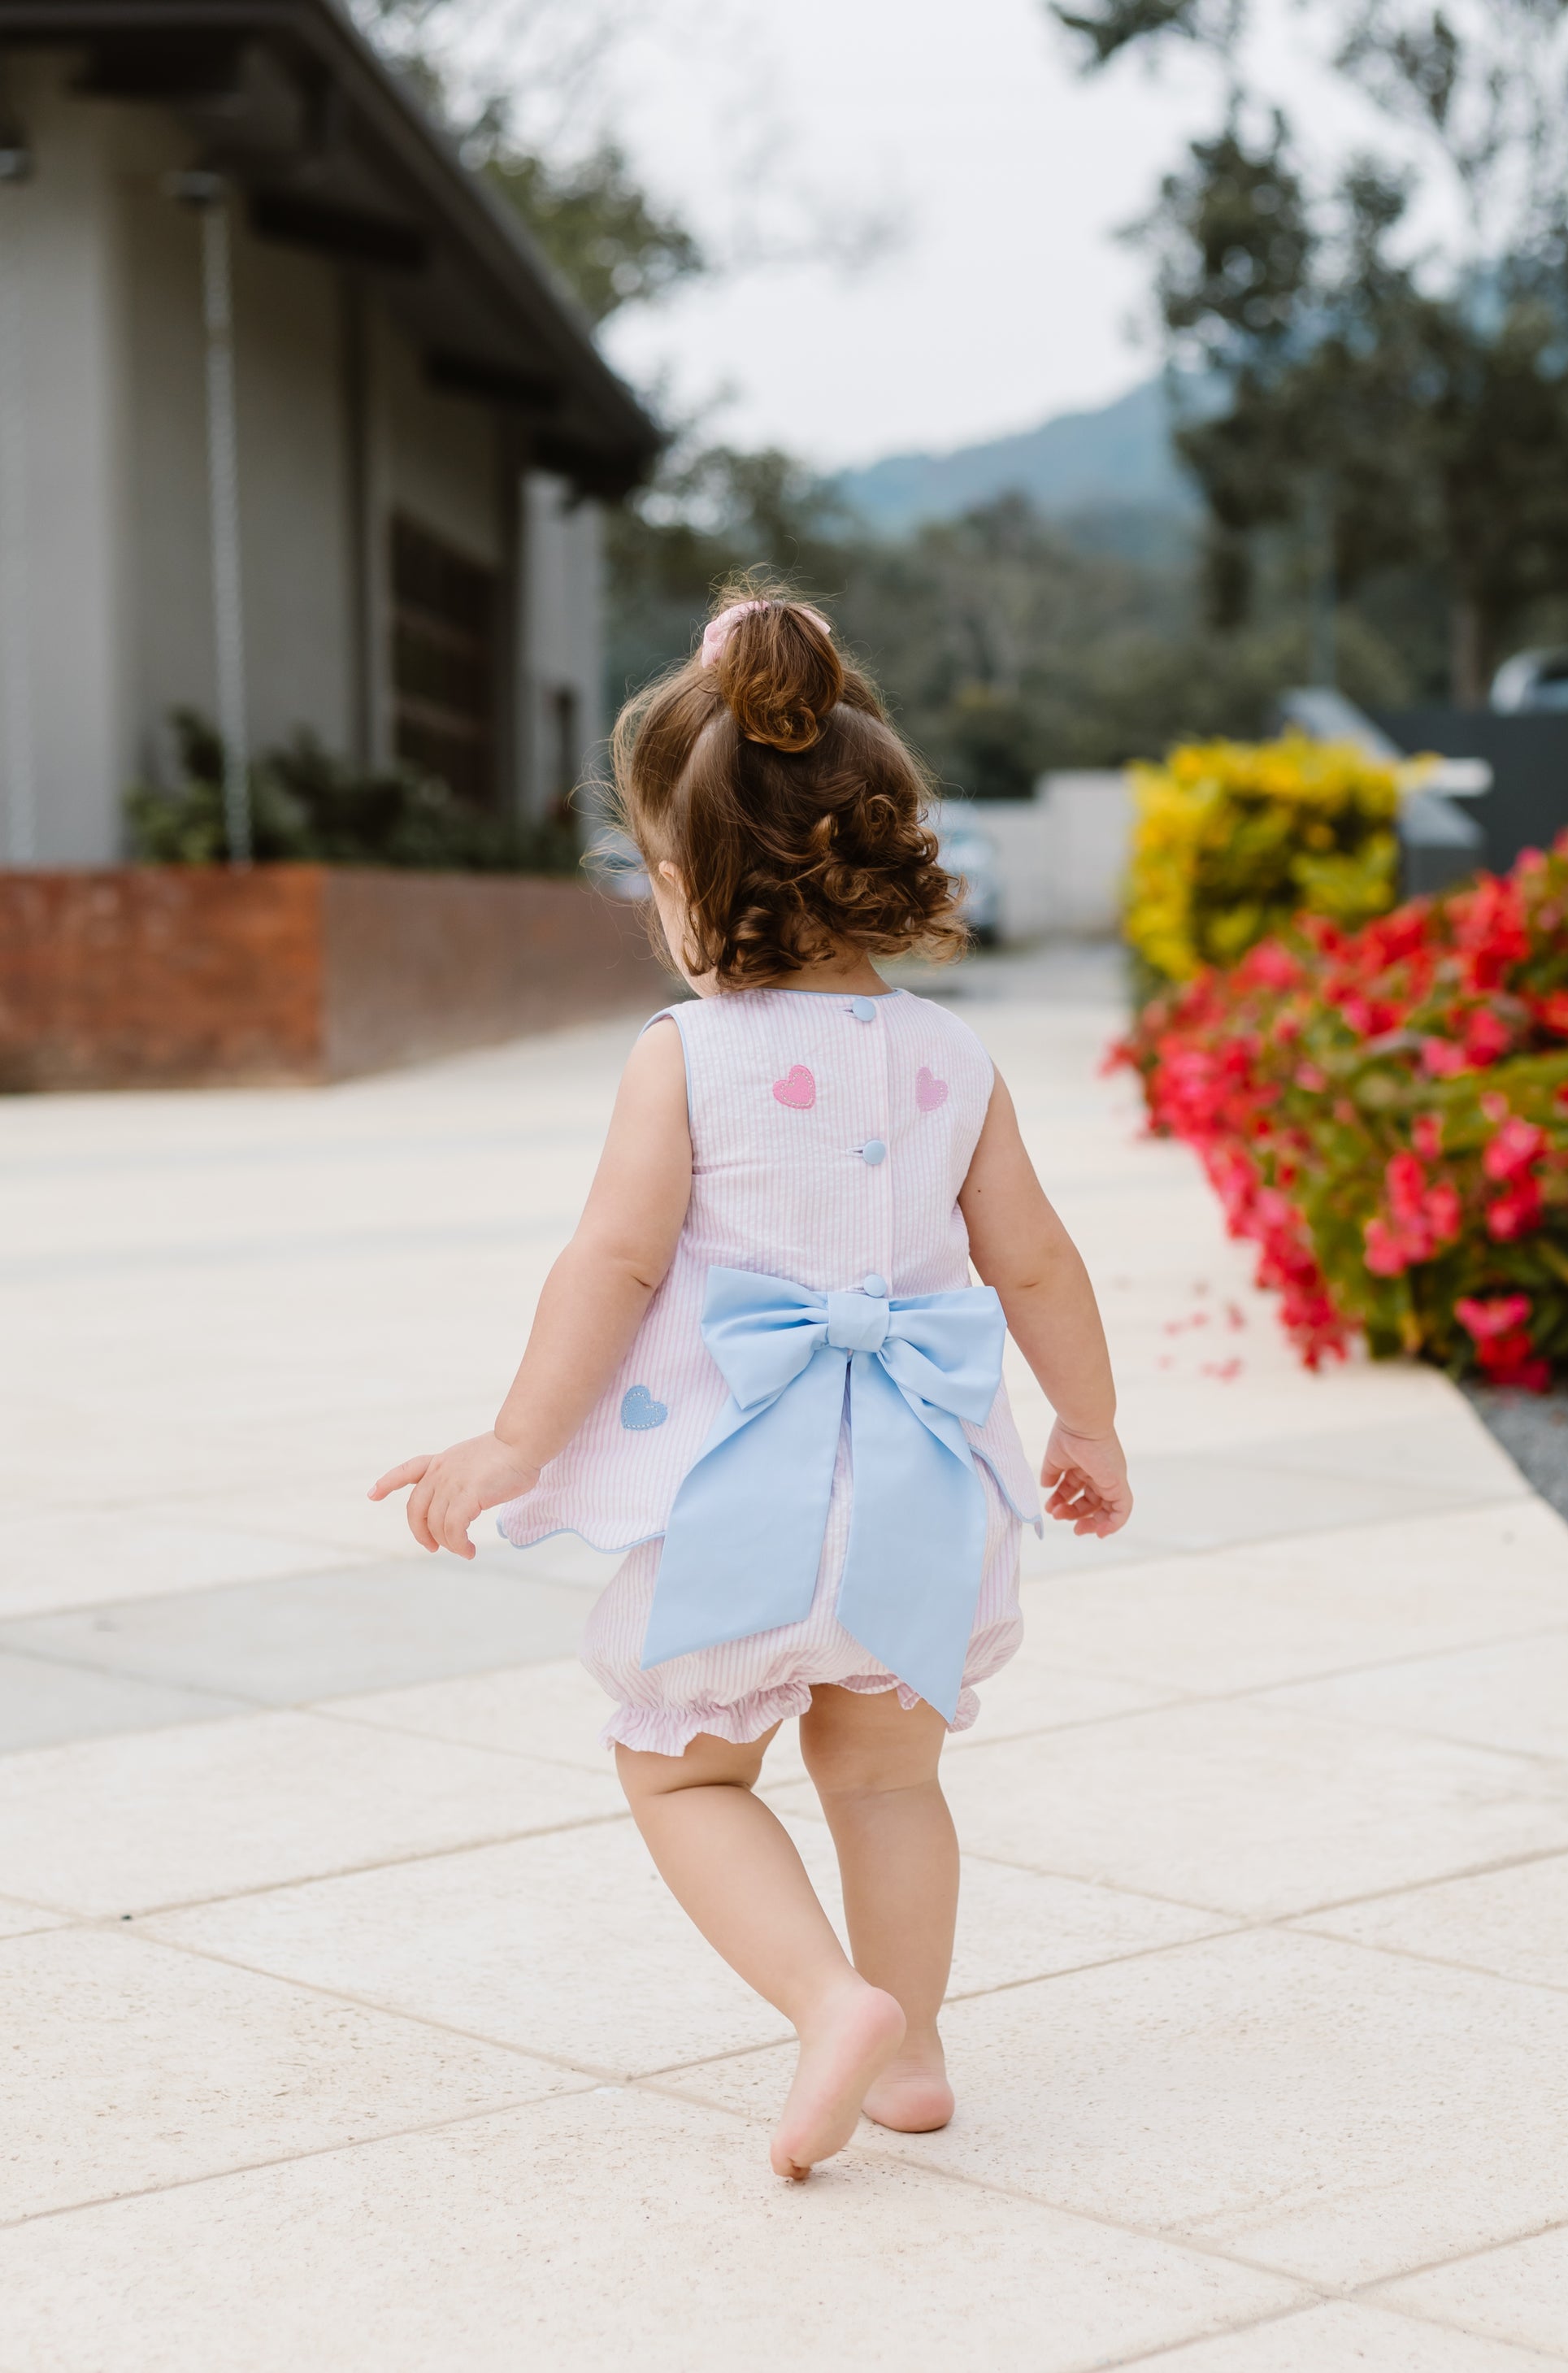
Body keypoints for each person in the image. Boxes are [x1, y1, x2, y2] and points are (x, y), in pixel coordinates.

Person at [371, 588, 1131, 2181]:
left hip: (748, 1508)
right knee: (891, 1778)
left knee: (682, 1764)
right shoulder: (952, 1060)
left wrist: (520, 1435)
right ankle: (913, 2047)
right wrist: (1087, 1421)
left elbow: (614, 1263)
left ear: (688, 882)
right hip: (926, 1497)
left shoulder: (685, 1053)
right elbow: (1038, 1262)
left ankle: (824, 1997)